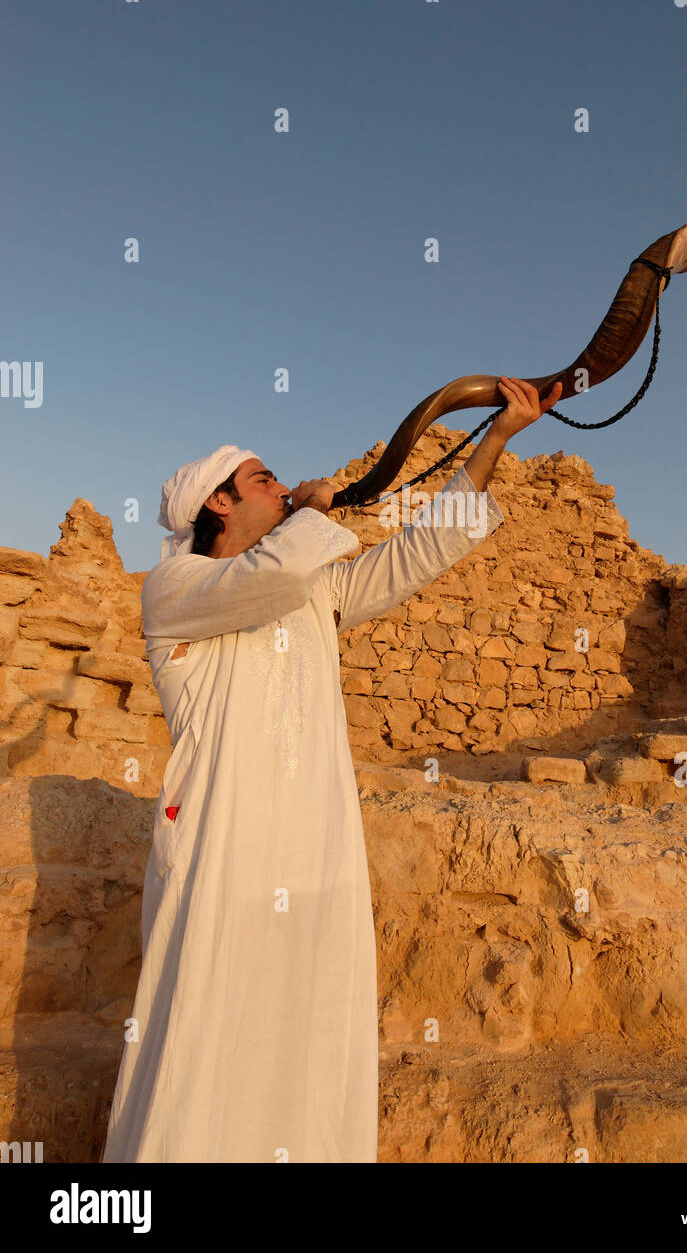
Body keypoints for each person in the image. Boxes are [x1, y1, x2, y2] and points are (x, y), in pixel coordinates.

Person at [101, 375, 563, 1163]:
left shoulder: (311, 585)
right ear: (217, 504)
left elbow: (421, 549)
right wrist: (311, 512)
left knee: (304, 1027)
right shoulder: (176, 588)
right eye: (262, 479)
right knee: (206, 1033)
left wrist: (496, 439)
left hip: (315, 846)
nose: (280, 487)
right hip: (224, 849)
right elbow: (270, 578)